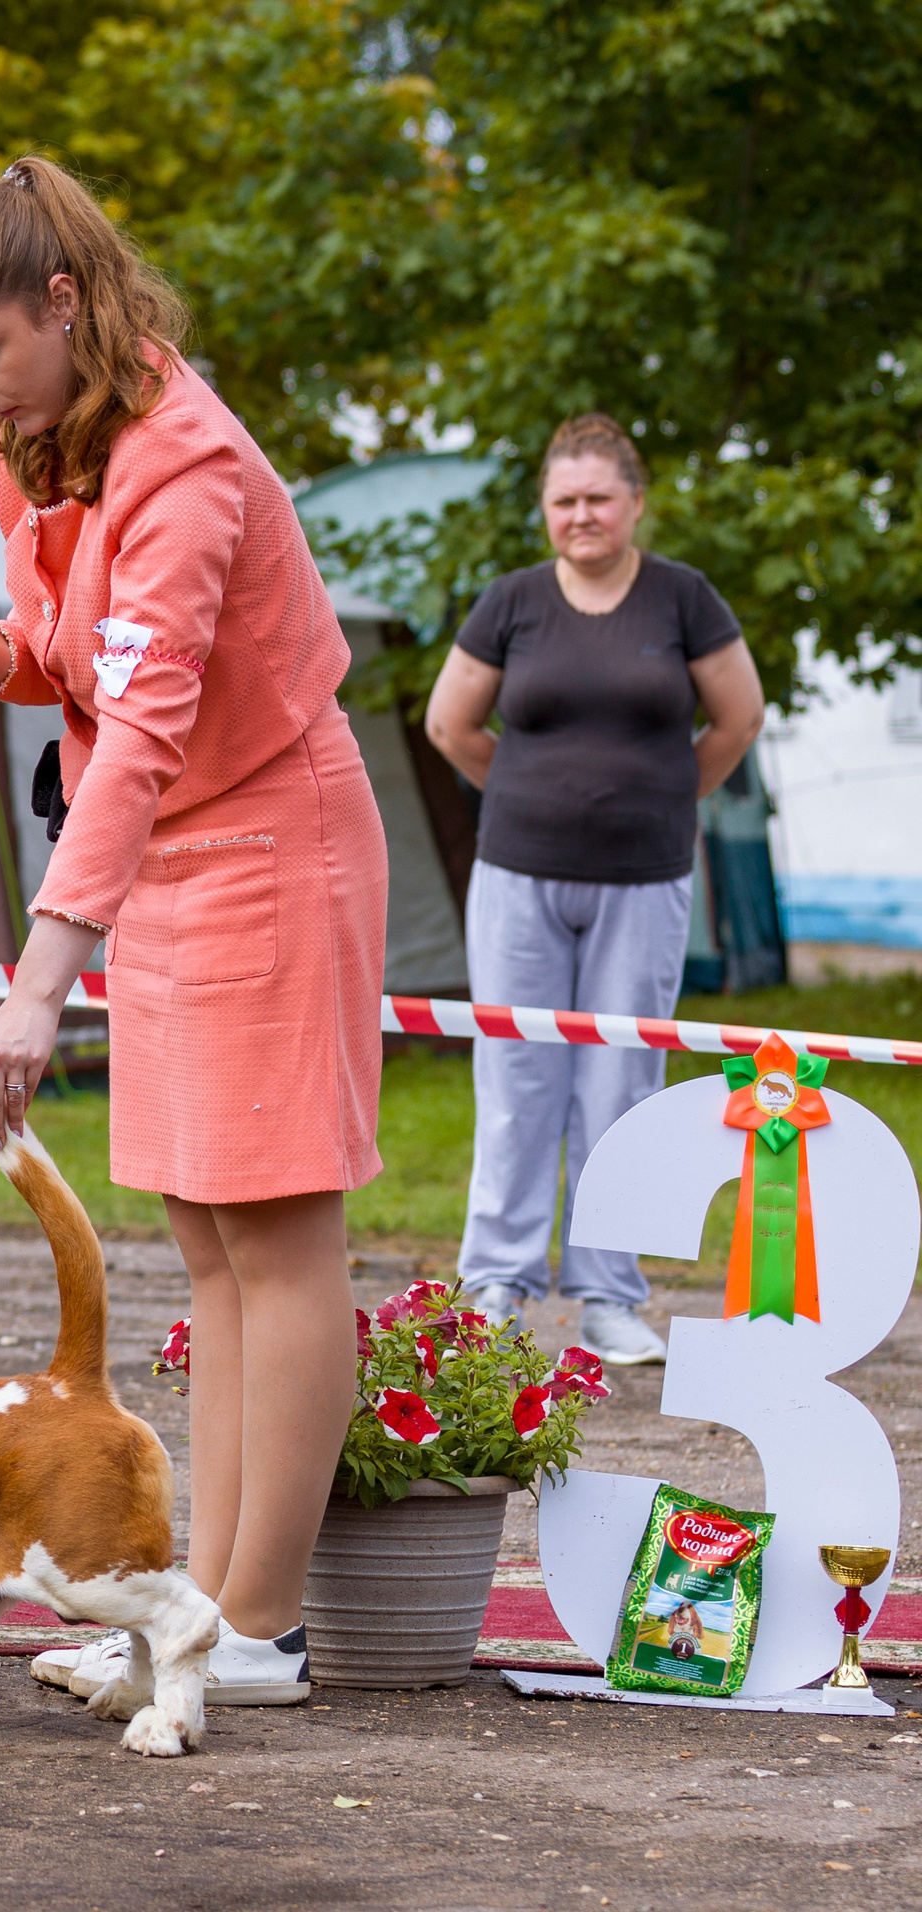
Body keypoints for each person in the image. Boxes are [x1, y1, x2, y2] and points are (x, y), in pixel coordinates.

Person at [0, 156, 389, 1708]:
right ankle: (197, 1612)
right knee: (209, 1247)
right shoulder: (34, 438)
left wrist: (39, 986)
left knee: (279, 1243)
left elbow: (150, 725)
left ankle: (263, 1629)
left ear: (65, 300)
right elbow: (70, 657)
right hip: (165, 859)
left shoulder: (188, 465)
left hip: (270, 843)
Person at [424, 413, 764, 1365]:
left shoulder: (685, 598)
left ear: (635, 504)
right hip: (516, 878)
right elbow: (451, 725)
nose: (582, 515)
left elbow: (738, 720)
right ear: (546, 508)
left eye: (599, 499)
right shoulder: (512, 601)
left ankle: (611, 1297)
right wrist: (528, 799)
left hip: (644, 883)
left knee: (623, 1084)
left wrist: (665, 799)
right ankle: (495, 1284)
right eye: (564, 500)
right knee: (516, 1079)